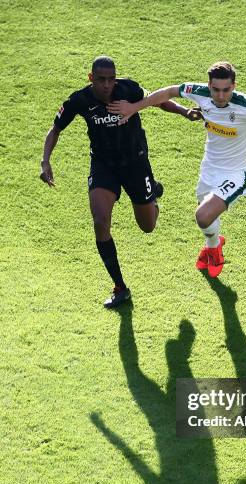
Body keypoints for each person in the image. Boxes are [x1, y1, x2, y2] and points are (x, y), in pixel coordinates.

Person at [107, 61, 246, 278]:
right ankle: (213, 246)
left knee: (203, 216)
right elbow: (169, 91)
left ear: (234, 86)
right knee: (206, 218)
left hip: (238, 173)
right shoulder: (199, 93)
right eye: (215, 89)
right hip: (209, 168)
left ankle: (214, 249)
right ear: (208, 85)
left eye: (226, 90)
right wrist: (134, 108)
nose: (220, 95)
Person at [40, 56, 201, 307]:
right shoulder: (79, 100)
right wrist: (45, 161)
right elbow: (55, 129)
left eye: (111, 79)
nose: (107, 85)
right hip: (104, 166)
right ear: (91, 78)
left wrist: (183, 112)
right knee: (100, 222)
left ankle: (153, 193)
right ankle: (120, 287)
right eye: (101, 80)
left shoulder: (128, 89)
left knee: (147, 226)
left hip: (136, 164)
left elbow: (158, 101)